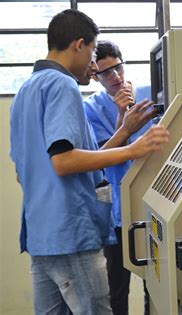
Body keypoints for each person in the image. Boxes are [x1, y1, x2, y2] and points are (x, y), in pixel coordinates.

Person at [9, 9, 169, 314]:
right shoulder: (62, 85)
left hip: (42, 236)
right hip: (71, 232)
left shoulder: (26, 91)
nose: (94, 66)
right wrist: (134, 149)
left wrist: (124, 132)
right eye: (93, 53)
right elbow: (64, 161)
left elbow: (23, 171)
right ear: (79, 45)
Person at [84, 40, 154, 315]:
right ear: (95, 76)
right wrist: (123, 120)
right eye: (106, 73)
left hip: (153, 202)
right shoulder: (91, 109)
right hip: (118, 210)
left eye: (118, 68)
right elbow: (101, 157)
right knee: (116, 289)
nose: (115, 77)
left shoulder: (150, 93)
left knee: (157, 284)